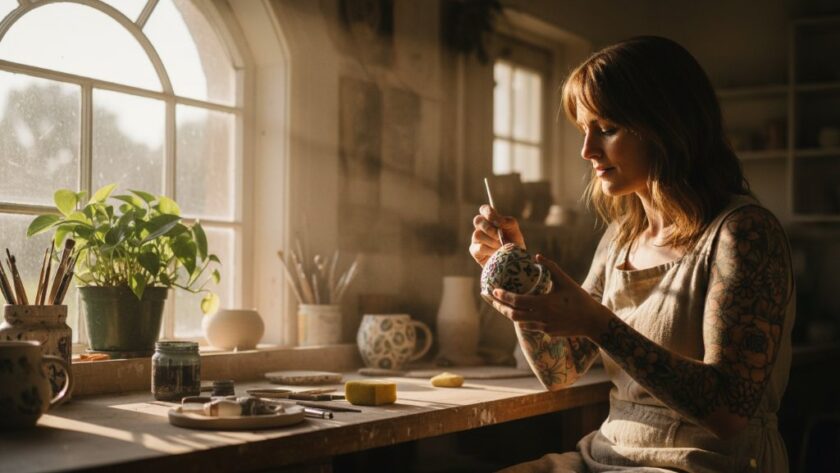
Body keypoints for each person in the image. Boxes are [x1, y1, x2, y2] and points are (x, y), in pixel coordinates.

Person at [470, 36, 794, 473]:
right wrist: (520, 279)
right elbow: (561, 371)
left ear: (667, 126)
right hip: (606, 457)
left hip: (704, 463)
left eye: (606, 129)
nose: (587, 150)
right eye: (584, 129)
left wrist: (599, 324)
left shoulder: (742, 234)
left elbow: (728, 411)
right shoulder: (622, 236)